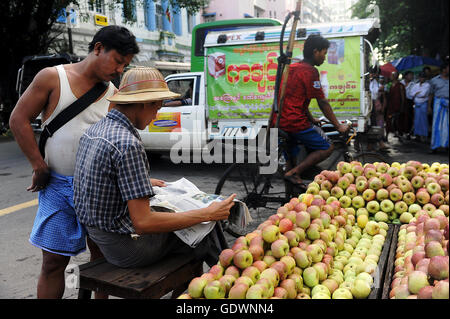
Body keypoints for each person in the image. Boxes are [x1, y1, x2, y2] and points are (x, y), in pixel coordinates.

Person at [8, 26, 139, 299]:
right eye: (117, 61)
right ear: (99, 48)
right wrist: (38, 164)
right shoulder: (53, 77)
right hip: (57, 187)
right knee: (54, 263)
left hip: (100, 191)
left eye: (124, 65)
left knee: (102, 261)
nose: (119, 70)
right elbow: (17, 119)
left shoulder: (113, 93)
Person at [73, 66, 236, 269]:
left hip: (101, 237)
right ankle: (227, 276)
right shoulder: (127, 143)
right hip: (127, 248)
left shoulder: (96, 129)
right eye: (157, 108)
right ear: (143, 104)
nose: (156, 115)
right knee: (205, 226)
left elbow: (97, 180)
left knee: (186, 213)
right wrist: (208, 214)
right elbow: (143, 223)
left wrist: (140, 181)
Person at [272, 34, 349, 186]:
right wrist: (338, 126)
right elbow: (322, 102)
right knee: (327, 146)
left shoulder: (292, 68)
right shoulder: (310, 71)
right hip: (294, 121)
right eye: (324, 53)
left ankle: (291, 185)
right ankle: (294, 173)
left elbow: (298, 99)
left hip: (280, 120)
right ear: (316, 52)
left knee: (293, 156)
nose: (324, 58)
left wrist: (312, 118)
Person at [428, 62, 449, 153]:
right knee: (436, 125)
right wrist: (429, 106)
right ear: (444, 69)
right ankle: (434, 146)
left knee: (447, 125)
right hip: (438, 104)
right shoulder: (434, 80)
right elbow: (430, 94)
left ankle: (446, 145)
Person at [385, 71, 406, 141]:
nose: (390, 76)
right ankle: (386, 135)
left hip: (397, 106)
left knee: (398, 121)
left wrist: (402, 107)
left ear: (395, 76)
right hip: (390, 106)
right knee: (388, 121)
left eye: (392, 75)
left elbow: (403, 97)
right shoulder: (389, 85)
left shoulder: (400, 85)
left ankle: (399, 135)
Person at [411, 72, 431, 142]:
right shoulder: (416, 85)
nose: (421, 78)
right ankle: (417, 135)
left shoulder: (427, 85)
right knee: (417, 120)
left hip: (423, 104)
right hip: (417, 104)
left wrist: (416, 93)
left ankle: (424, 135)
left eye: (423, 77)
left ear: (425, 78)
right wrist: (417, 93)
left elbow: (423, 94)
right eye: (420, 77)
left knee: (423, 120)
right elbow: (411, 93)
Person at [400, 71, 415, 139]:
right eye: (410, 75)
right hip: (401, 101)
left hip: (409, 101)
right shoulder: (401, 83)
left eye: (412, 75)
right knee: (401, 116)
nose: (411, 76)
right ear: (405, 76)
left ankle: (408, 132)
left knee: (409, 117)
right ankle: (401, 131)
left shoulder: (413, 84)